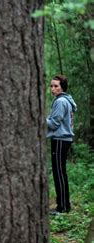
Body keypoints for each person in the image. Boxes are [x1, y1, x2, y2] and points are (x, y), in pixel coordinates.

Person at [46, 75, 77, 215]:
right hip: (64, 140)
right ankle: (64, 205)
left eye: (56, 86)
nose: (53, 89)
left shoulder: (60, 102)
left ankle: (62, 208)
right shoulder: (66, 100)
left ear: (62, 87)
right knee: (60, 172)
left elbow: (53, 124)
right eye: (51, 86)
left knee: (59, 173)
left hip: (60, 140)